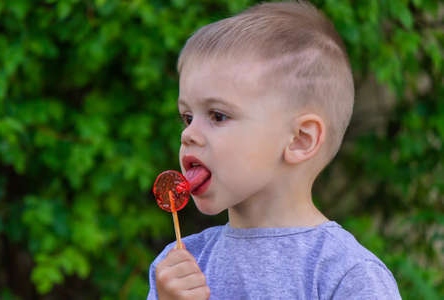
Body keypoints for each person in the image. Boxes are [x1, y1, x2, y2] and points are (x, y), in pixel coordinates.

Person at [147, 1, 401, 299]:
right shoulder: (181, 266)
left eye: (218, 115)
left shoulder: (347, 274)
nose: (189, 134)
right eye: (188, 118)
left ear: (299, 140)